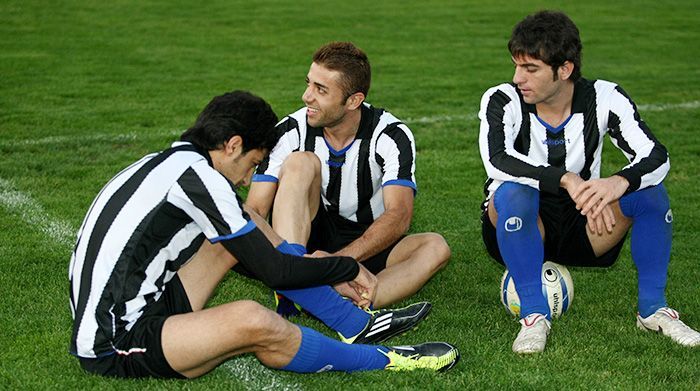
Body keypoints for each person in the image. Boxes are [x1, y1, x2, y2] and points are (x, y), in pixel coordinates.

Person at [68, 90, 459, 379]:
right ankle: (388, 358)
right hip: (115, 339)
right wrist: (343, 268)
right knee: (254, 320)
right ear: (233, 145)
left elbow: (263, 250)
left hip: (143, 301)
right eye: (254, 163)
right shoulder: (201, 179)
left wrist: (330, 268)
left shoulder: (173, 161)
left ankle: (356, 324)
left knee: (247, 224)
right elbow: (277, 272)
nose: (250, 176)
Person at [478, 10, 700, 354]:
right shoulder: (502, 99)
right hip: (517, 221)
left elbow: (657, 156)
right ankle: (534, 317)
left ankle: (653, 310)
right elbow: (497, 159)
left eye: (530, 68)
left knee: (651, 196)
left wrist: (619, 182)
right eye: (517, 65)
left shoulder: (605, 98)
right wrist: (565, 178)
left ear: (564, 70)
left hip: (583, 221)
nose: (518, 77)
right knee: (515, 192)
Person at [246, 42, 451, 316]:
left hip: (368, 237)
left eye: (321, 90)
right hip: (307, 232)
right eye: (309, 84)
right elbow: (256, 209)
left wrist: (337, 263)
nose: (306, 96)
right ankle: (294, 281)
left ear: (354, 100)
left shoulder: (391, 135)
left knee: (435, 247)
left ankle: (340, 304)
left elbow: (399, 215)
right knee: (300, 162)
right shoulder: (290, 130)